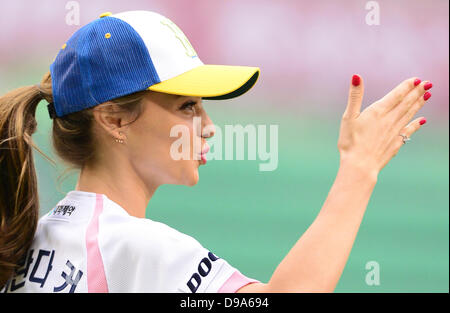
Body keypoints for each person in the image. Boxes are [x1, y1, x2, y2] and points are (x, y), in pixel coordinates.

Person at [0, 10, 432, 293]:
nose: (207, 127)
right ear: (114, 120)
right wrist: (359, 168)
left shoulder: (31, 243)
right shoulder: (133, 245)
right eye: (187, 106)